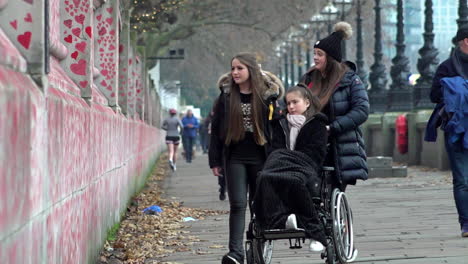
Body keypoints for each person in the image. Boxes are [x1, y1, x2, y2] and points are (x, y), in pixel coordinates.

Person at [209, 52, 284, 264]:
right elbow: (215, 131)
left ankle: (259, 243)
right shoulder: (225, 97)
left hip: (261, 156)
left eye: (239, 68)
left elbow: (276, 129)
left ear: (251, 70)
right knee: (238, 204)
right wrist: (214, 161)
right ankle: (236, 253)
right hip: (235, 157)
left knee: (258, 203)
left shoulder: (266, 96)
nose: (234, 73)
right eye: (233, 68)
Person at [254, 84, 328, 252]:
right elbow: (275, 149)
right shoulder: (280, 125)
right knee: (264, 177)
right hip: (279, 164)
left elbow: (317, 152)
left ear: (307, 103)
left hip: (305, 166)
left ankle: (315, 233)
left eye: (295, 102)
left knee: (294, 180)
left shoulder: (317, 124)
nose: (291, 107)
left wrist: (291, 158)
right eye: (288, 103)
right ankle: (282, 220)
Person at [299, 21, 369, 187]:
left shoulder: (350, 80)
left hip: (339, 145)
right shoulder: (308, 79)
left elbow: (361, 110)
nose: (315, 57)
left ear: (330, 58)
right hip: (311, 142)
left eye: (319, 54)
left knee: (334, 188)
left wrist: (333, 127)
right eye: (314, 53)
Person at [427, 25, 468, 238]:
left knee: (462, 179)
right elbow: (434, 95)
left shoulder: (446, 66)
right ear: (466, 41)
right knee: (462, 179)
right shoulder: (447, 67)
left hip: (457, 128)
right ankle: (466, 224)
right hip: (457, 129)